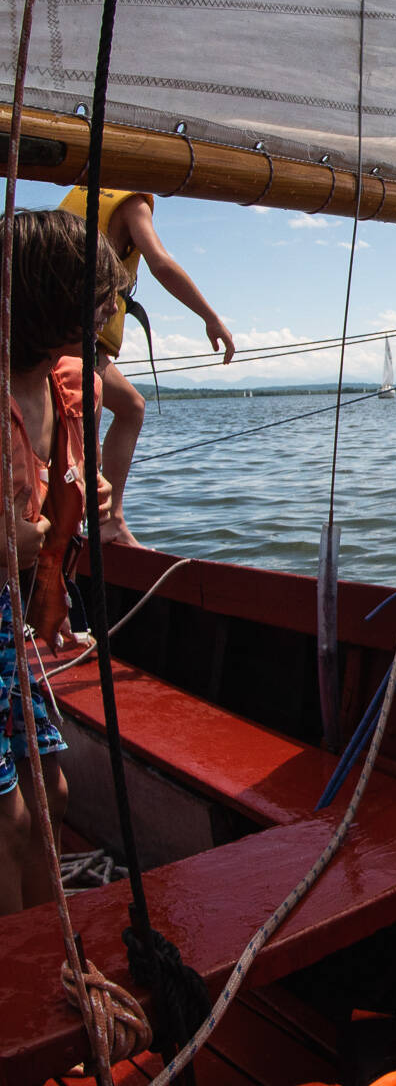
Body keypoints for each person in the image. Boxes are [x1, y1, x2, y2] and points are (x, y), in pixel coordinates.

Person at [2, 207, 125, 913]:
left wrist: (86, 487)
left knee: (51, 795)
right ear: (54, 302)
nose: (113, 309)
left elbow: (64, 485)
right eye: (101, 296)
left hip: (15, 618)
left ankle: (58, 957)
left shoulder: (74, 383)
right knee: (7, 819)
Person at [59, 187, 235, 546]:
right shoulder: (132, 200)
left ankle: (102, 519)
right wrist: (210, 317)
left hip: (59, 332)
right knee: (86, 437)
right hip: (79, 336)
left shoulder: (82, 188)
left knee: (128, 408)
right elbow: (160, 263)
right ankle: (86, 525)